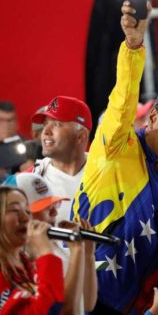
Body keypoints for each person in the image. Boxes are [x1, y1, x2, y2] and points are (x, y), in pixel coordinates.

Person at [70, 1, 158, 315]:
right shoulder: (117, 144)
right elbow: (122, 101)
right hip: (81, 295)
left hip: (135, 310)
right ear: (152, 117)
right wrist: (133, 47)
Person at [3, 173, 97, 315]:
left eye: (54, 204)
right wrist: (49, 253)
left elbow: (86, 304)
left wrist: (86, 254)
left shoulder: (55, 247)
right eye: (45, 208)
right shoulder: (12, 263)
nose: (55, 212)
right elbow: (62, 310)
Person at [0, 185, 64, 315]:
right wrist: (46, 252)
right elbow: (49, 312)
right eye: (15, 210)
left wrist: (81, 250)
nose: (26, 218)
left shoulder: (26, 264)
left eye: (28, 211)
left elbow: (65, 306)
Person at [29, 96, 92, 224]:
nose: (46, 131)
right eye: (45, 124)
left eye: (57, 124)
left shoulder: (106, 174)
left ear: (81, 136)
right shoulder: (29, 178)